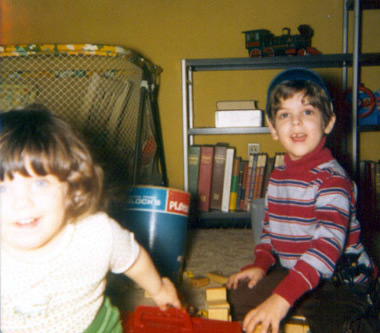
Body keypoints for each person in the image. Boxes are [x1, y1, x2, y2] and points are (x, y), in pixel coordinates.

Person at [0, 105, 181, 333]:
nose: (22, 202)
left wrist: (158, 289)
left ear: (72, 187)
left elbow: (133, 259)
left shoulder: (97, 233)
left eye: (40, 183)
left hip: (93, 327)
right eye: (3, 189)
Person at [227, 68, 378, 333]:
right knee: (239, 296)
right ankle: (292, 304)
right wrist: (260, 266)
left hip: (342, 281)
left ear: (328, 122)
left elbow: (326, 246)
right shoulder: (277, 177)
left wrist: (282, 298)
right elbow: (269, 231)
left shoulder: (332, 180)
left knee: (336, 323)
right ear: (273, 128)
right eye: (285, 115)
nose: (296, 123)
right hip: (297, 273)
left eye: (307, 112)